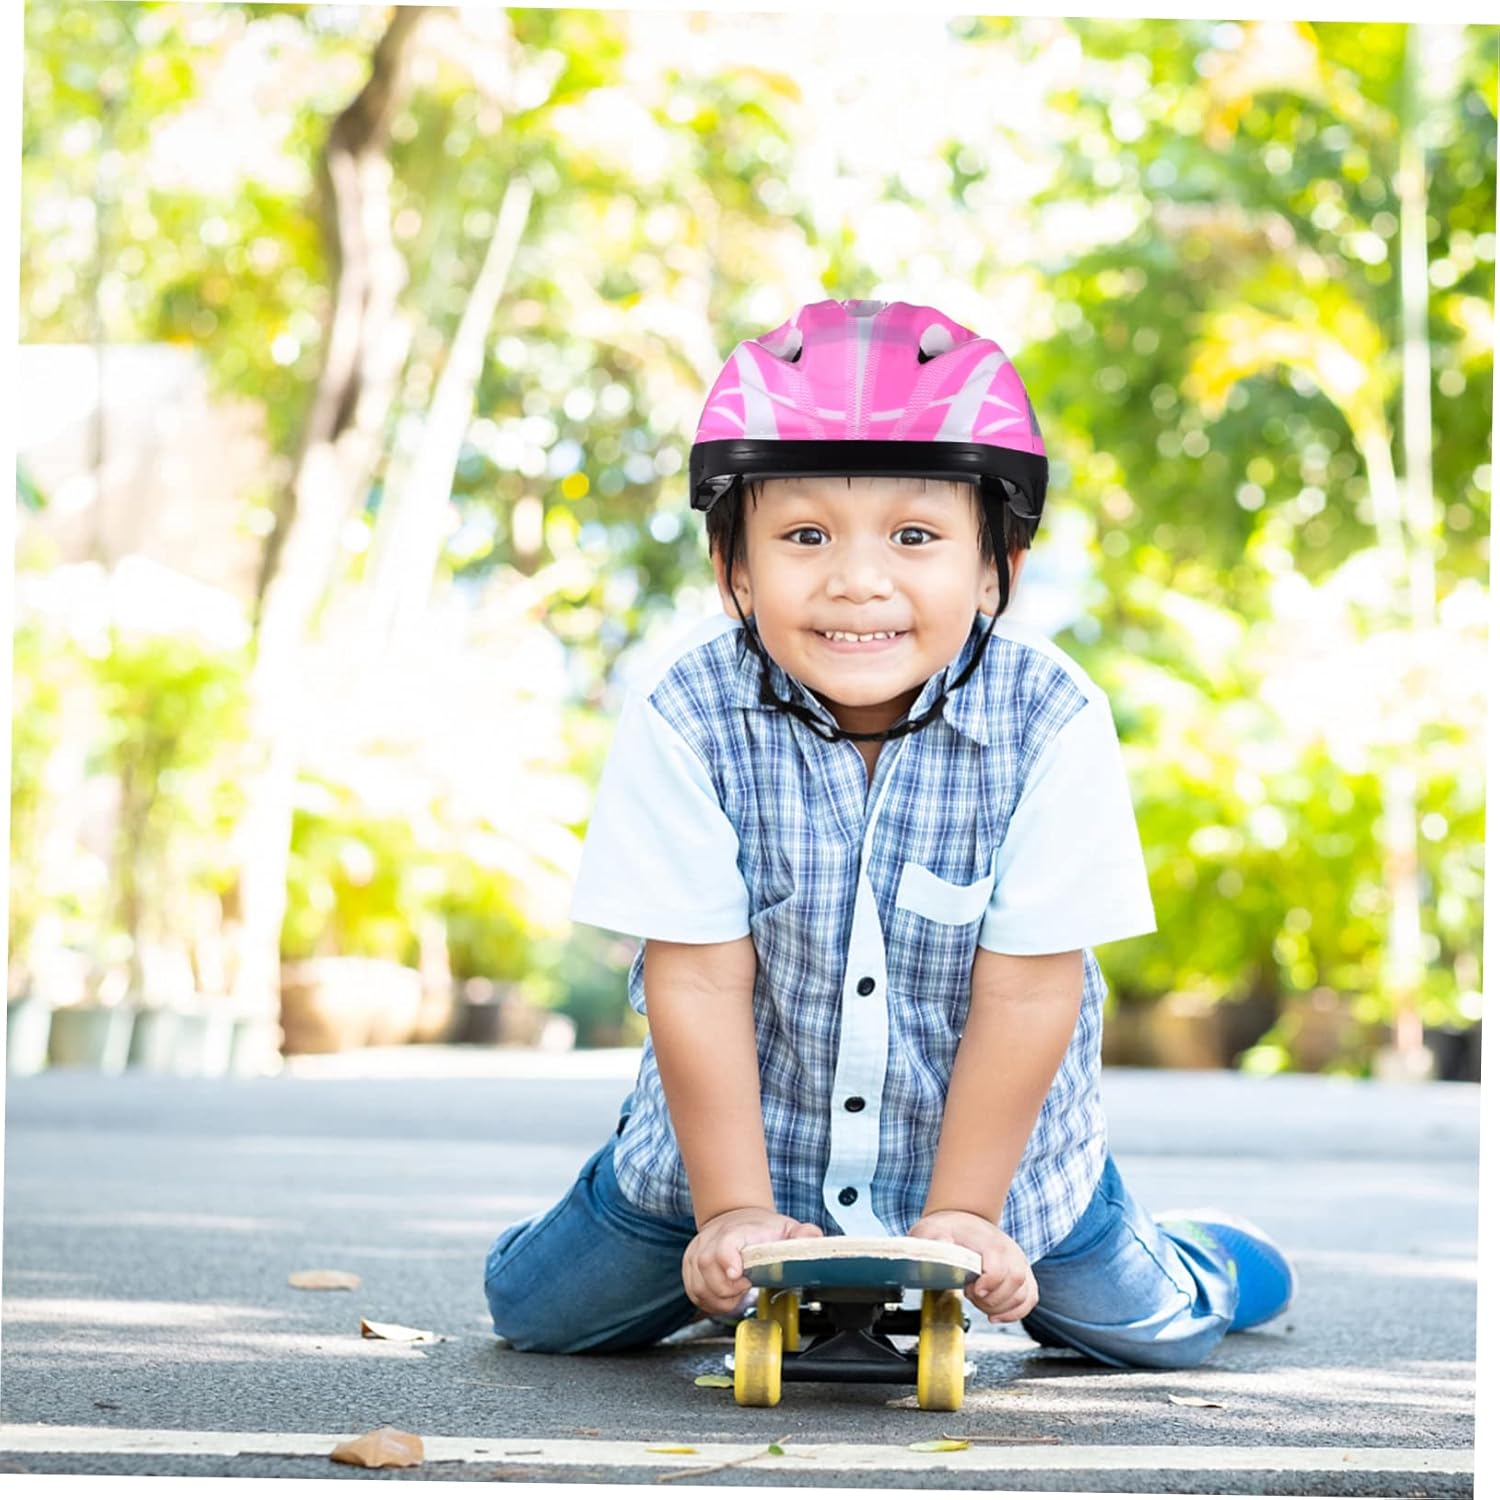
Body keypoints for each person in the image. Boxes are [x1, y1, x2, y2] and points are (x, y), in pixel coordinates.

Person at [484, 298, 1296, 1368]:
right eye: (804, 536)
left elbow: (1028, 991)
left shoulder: (1051, 719)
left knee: (1156, 1333)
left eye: (915, 537)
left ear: (996, 565)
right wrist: (732, 1213)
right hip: (727, 1161)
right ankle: (727, 1263)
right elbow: (699, 979)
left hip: (1007, 1174)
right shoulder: (685, 715)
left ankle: (1204, 1259)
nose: (858, 579)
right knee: (534, 1313)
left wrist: (966, 1214)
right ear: (734, 568)